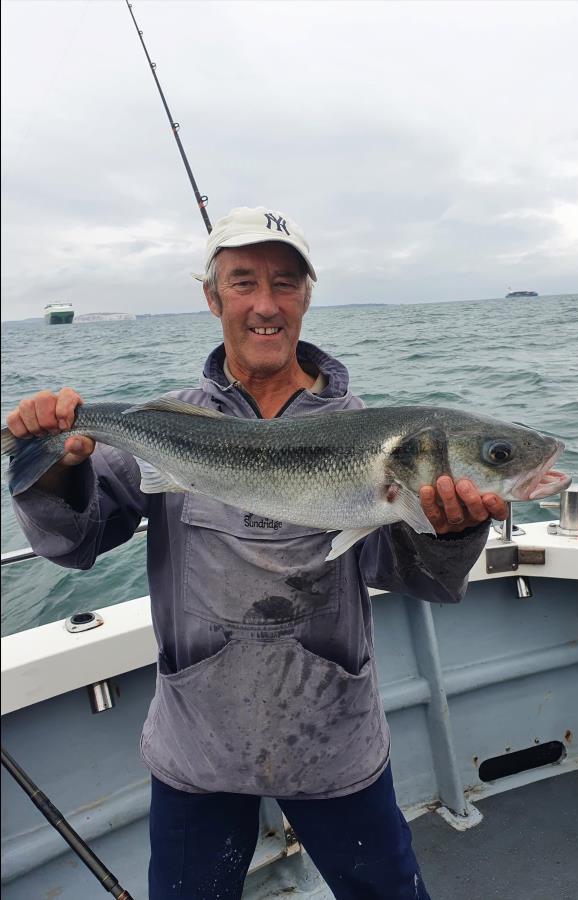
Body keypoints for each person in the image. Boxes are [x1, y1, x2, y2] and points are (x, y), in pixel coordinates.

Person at [7, 206, 509, 900]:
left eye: (285, 282)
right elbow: (76, 543)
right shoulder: (166, 421)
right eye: (242, 283)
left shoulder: (366, 432)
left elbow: (402, 573)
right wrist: (57, 464)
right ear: (212, 299)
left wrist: (450, 532)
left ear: (307, 294)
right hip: (197, 735)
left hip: (331, 729)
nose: (265, 305)